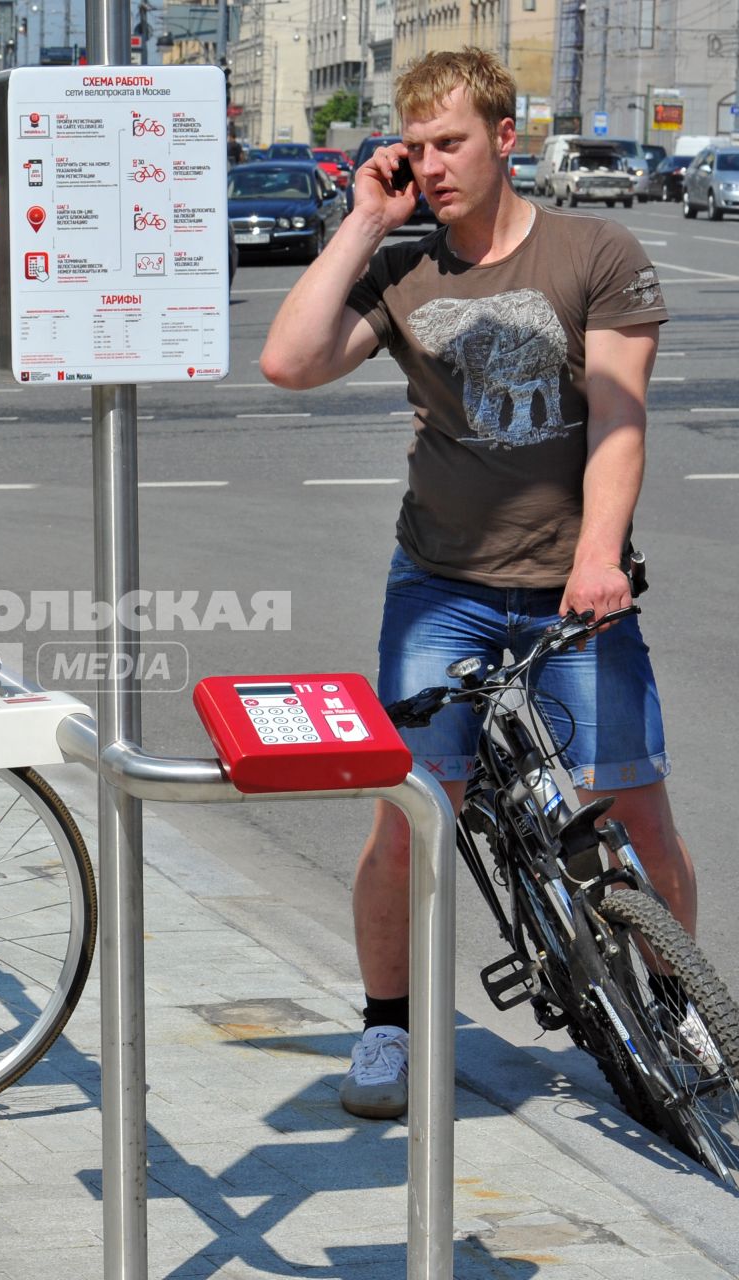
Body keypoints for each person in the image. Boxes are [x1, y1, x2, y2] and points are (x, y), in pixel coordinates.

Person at [258, 48, 680, 1121]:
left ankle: (678, 1003)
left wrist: (597, 554)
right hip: (439, 584)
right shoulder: (405, 270)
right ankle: (387, 1024)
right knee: (408, 813)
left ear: (504, 137)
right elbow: (288, 362)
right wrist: (361, 220)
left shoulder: (596, 250)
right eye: (418, 145)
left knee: (634, 811)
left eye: (452, 141)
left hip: (574, 587)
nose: (433, 164)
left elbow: (620, 417)